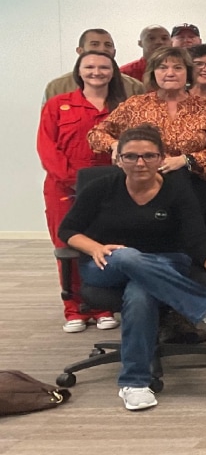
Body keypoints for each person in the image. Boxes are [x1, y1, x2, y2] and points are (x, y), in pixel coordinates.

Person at [58, 124, 206, 411]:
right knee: (126, 256)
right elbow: (68, 230)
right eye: (131, 156)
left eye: (149, 156)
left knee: (140, 294)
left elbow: (199, 242)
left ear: (162, 158)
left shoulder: (177, 192)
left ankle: (134, 383)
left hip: (167, 262)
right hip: (106, 265)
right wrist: (94, 247)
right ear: (118, 159)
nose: (140, 163)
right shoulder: (101, 188)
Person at [38, 50, 127, 332]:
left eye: (103, 67)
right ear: (79, 71)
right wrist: (73, 181)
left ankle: (102, 306)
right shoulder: (58, 104)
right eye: (89, 66)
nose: (96, 72)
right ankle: (74, 308)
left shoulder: (124, 107)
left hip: (111, 187)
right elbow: (47, 148)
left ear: (113, 71)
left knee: (104, 245)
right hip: (64, 187)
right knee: (69, 246)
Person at [88, 47, 206, 213]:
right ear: (153, 73)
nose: (170, 73)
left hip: (191, 186)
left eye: (178, 68)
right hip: (141, 185)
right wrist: (115, 145)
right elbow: (96, 134)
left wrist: (185, 160)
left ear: (188, 72)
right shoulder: (136, 104)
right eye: (162, 68)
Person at [44, 28, 146, 101]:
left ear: (114, 52)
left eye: (108, 45)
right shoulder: (58, 86)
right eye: (94, 44)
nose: (102, 49)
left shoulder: (134, 87)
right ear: (80, 51)